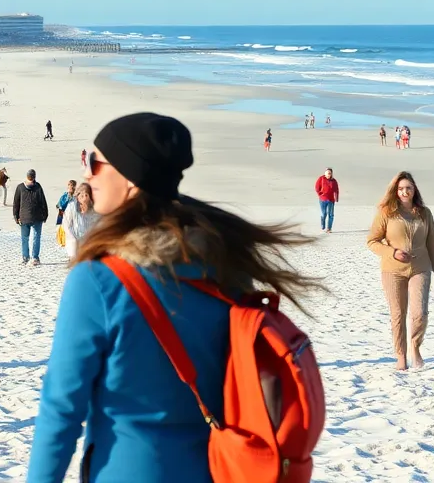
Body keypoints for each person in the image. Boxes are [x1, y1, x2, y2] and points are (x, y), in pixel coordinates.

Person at [27, 113, 319, 482]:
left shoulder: (98, 280)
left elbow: (61, 408)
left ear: (131, 179)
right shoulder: (225, 262)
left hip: (128, 470)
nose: (87, 174)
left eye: (96, 163)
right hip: (218, 469)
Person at [366, 171, 434, 371]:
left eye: (408, 188)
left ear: (414, 189)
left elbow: (432, 243)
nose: (404, 192)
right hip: (392, 270)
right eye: (400, 188)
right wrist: (392, 252)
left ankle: (415, 348)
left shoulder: (424, 213)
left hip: (420, 267)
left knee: (419, 312)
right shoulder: (386, 212)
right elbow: (372, 242)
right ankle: (400, 355)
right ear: (395, 190)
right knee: (398, 314)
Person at [12, 169, 50, 266]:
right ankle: (34, 258)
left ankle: (26, 257)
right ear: (34, 176)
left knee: (25, 238)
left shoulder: (21, 187)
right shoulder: (36, 186)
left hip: (25, 217)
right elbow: (43, 201)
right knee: (36, 237)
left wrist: (16, 217)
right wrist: (45, 214)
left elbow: (16, 204)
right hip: (35, 217)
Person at [60, 181, 99, 261]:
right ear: (77, 196)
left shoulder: (95, 208)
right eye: (82, 195)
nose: (84, 198)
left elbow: (98, 224)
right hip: (74, 241)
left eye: (86, 195)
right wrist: (71, 237)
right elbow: (66, 223)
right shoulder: (72, 206)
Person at [315, 167, 340, 233]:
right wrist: (320, 194)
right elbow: (317, 187)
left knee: (331, 214)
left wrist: (336, 198)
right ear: (325, 173)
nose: (329, 174)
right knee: (324, 214)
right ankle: (323, 224)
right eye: (328, 173)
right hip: (323, 199)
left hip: (331, 200)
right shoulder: (321, 179)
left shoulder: (334, 181)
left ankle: (329, 228)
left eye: (330, 173)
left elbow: (336, 190)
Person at [55, 180, 76, 247]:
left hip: (72, 217)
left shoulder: (75, 197)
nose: (70, 188)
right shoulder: (65, 196)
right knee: (65, 231)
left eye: (72, 186)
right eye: (69, 186)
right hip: (64, 216)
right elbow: (59, 205)